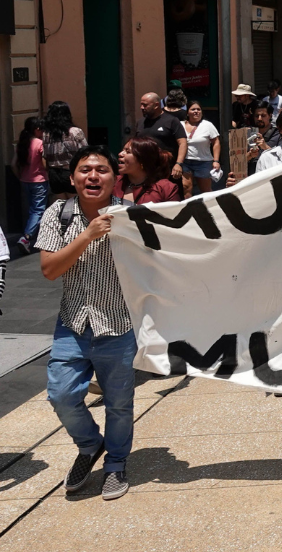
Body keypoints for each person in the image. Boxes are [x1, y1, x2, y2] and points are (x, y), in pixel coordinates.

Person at [37, 146, 136, 500]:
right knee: (61, 395)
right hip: (73, 324)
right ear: (73, 177)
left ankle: (116, 465)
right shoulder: (57, 214)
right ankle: (91, 444)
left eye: (102, 170)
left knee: (119, 403)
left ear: (114, 178)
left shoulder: (131, 216)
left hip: (119, 325)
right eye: (85, 170)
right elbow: (49, 270)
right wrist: (87, 235)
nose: (93, 176)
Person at [15, 116, 48, 253]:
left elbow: (13, 164)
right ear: (37, 129)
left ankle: (32, 237)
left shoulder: (22, 143)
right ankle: (26, 238)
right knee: (38, 211)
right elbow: (45, 163)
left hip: (25, 180)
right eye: (42, 129)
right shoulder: (39, 144)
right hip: (39, 181)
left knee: (32, 210)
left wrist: (20, 176)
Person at [138, 92, 188, 183]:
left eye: (145, 105)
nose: (141, 107)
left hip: (167, 170)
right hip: (145, 170)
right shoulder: (141, 122)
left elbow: (183, 143)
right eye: (141, 105)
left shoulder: (171, 121)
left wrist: (179, 164)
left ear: (156, 105)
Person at [114, 136, 182, 204]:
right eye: (123, 150)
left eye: (128, 151)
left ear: (142, 160)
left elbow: (176, 213)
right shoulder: (113, 183)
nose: (120, 154)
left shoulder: (165, 189)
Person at [42, 101, 88, 201]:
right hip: (70, 172)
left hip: (54, 174)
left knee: (60, 207)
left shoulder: (46, 134)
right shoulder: (75, 132)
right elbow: (85, 152)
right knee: (75, 205)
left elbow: (44, 156)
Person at [179, 102, 221, 196]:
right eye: (193, 109)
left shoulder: (207, 125)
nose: (196, 112)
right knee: (186, 187)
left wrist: (216, 160)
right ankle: (189, 209)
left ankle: (209, 209)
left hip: (203, 162)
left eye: (198, 109)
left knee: (205, 191)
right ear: (187, 112)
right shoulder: (180, 125)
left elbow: (216, 143)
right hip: (185, 161)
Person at [246, 101, 282, 176]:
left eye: (263, 115)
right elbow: (238, 161)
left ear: (270, 116)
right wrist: (250, 155)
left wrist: (265, 147)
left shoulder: (279, 134)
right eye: (257, 116)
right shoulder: (246, 134)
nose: (259, 118)